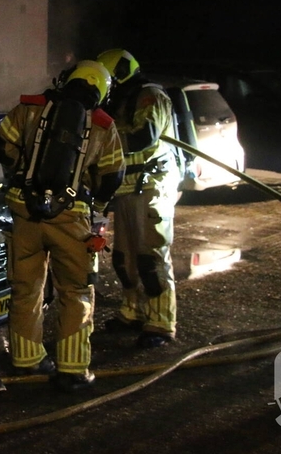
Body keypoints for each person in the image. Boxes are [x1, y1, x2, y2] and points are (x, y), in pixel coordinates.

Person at [0, 60, 125, 392]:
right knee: (75, 292)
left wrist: (23, 170)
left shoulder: (29, 108)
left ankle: (26, 359)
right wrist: (98, 206)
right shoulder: (103, 125)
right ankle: (73, 370)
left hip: (25, 213)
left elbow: (0, 148)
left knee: (26, 289)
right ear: (102, 90)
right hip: (71, 218)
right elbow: (112, 177)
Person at [96, 48, 182, 348]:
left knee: (151, 257)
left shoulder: (150, 96)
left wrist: (101, 140)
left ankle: (160, 323)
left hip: (151, 188)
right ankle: (131, 313)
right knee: (125, 258)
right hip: (127, 189)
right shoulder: (120, 100)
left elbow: (143, 136)